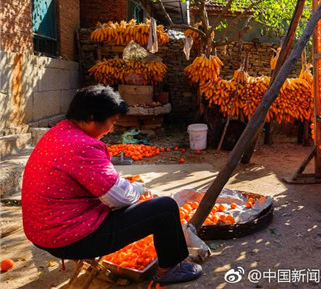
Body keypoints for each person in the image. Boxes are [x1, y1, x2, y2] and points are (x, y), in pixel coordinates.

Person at [21, 85, 202, 285]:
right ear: (91, 117)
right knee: (165, 208)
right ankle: (169, 269)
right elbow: (120, 197)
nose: (111, 129)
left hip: (42, 232)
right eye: (112, 122)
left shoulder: (58, 133)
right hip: (69, 238)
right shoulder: (82, 146)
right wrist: (139, 191)